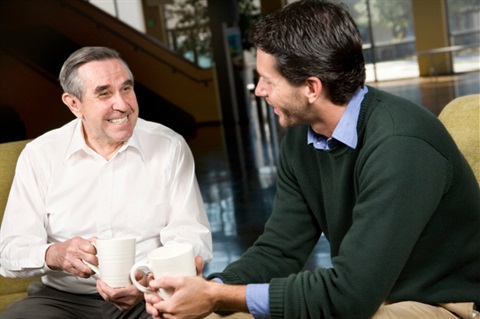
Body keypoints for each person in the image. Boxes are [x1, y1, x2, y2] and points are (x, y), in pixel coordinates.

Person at [143, 1, 480, 318]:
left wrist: (220, 298)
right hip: (373, 293)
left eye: (268, 80)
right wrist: (208, 289)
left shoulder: (400, 144)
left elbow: (349, 296)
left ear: (311, 88)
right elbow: (280, 249)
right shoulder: (302, 137)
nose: (258, 90)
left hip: (442, 302)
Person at [0, 46, 212, 319]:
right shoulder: (40, 155)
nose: (123, 104)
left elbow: (192, 238)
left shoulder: (169, 146)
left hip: (149, 294)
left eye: (126, 88)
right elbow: (9, 252)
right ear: (74, 104)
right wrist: (54, 254)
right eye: (104, 93)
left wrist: (146, 278)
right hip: (63, 300)